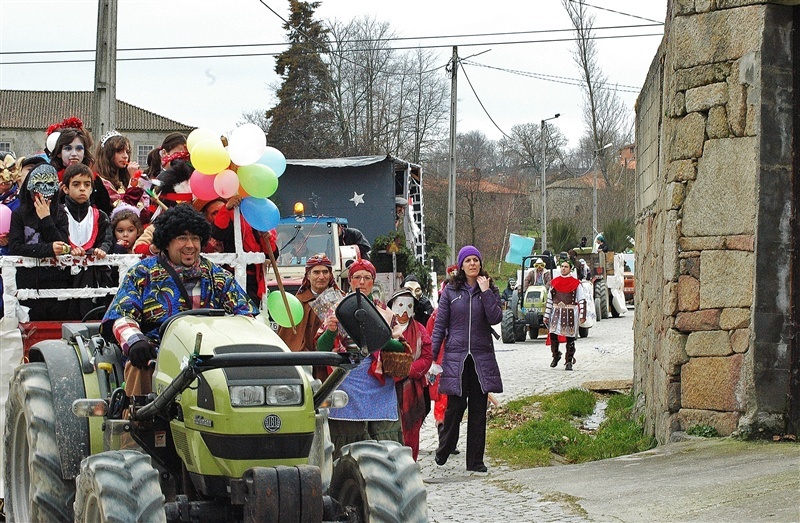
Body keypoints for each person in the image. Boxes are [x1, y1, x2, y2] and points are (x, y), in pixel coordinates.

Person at [102, 205, 257, 396]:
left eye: (195, 238)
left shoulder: (219, 276)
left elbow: (247, 317)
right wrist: (136, 342)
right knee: (139, 365)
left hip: (211, 354)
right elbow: (121, 316)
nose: (190, 245)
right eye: (182, 238)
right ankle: (139, 421)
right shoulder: (142, 273)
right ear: (166, 242)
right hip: (158, 351)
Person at [315, 259, 404, 457]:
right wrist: (330, 331)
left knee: (382, 436)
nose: (362, 282)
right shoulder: (336, 309)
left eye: (367, 277)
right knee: (346, 436)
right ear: (350, 281)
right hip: (345, 379)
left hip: (377, 382)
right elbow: (321, 347)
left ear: (373, 282)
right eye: (357, 277)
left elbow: (401, 347)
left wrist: (380, 338)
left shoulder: (384, 312)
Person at [431, 246, 503, 473]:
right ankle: (445, 447)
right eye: (468, 260)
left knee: (478, 410)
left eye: (476, 260)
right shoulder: (451, 292)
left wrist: (485, 292)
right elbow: (440, 326)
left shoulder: (489, 288)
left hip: (481, 358)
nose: (473, 264)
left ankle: (475, 461)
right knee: (455, 407)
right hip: (457, 358)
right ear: (461, 265)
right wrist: (431, 358)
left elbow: (495, 317)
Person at [7, 164, 72, 320]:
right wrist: (47, 249)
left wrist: (46, 219)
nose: (43, 191)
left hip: (57, 283)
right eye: (38, 185)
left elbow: (62, 245)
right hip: (27, 283)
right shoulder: (19, 214)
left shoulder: (61, 213)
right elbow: (15, 247)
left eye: (49, 184)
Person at [60, 163, 114, 319]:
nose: (82, 188)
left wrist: (102, 249)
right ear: (65, 189)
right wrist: (68, 250)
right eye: (76, 184)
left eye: (87, 184)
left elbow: (107, 238)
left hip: (93, 276)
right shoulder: (58, 214)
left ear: (91, 189)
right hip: (65, 276)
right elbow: (55, 237)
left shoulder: (100, 215)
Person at [277, 253, 341, 379]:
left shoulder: (341, 300)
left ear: (330, 275)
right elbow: (287, 339)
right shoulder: (296, 304)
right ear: (308, 275)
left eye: (325, 272)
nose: (321, 277)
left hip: (332, 366)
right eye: (316, 272)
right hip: (303, 367)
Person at [388, 287, 432, 461]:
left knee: (411, 430)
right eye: (400, 305)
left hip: (413, 390)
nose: (404, 311)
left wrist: (409, 369)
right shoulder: (385, 328)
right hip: (387, 388)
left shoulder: (420, 330)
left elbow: (427, 356)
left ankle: (409, 464)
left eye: (408, 306)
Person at [210, 194, 278, 307]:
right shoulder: (231, 214)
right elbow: (218, 233)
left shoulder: (257, 219)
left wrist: (266, 238)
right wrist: (226, 209)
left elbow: (271, 255)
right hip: (230, 275)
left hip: (252, 279)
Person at [543, 259, 588, 371]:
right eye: (562, 266)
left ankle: (569, 361)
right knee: (553, 335)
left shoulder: (576, 283)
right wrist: (546, 315)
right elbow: (550, 299)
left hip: (570, 312)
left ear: (570, 269)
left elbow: (581, 299)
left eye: (566, 267)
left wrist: (582, 315)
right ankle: (556, 355)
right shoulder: (555, 282)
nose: (563, 268)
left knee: (570, 338)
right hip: (556, 312)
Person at [93, 131, 146, 216]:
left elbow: (143, 213)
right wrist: (134, 181)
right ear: (107, 154)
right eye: (119, 151)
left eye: (127, 151)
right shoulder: (100, 182)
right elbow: (121, 212)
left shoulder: (125, 179)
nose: (125, 156)